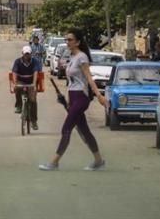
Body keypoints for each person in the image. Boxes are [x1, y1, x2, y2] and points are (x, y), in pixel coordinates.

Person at [39, 28, 108, 171]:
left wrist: (99, 95)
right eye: (66, 39)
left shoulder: (82, 57)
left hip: (81, 97)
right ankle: (98, 160)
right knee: (84, 131)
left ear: (78, 42)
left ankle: (54, 162)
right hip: (73, 96)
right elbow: (71, 81)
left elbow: (89, 77)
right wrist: (65, 99)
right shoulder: (72, 57)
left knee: (66, 128)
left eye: (70, 39)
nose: (67, 42)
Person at [9, 45, 43, 130]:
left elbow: (35, 72)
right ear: (22, 54)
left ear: (31, 54)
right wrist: (15, 83)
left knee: (33, 100)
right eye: (25, 54)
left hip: (31, 82)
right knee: (17, 88)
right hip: (21, 81)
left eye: (28, 54)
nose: (27, 56)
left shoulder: (35, 61)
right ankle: (19, 105)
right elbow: (14, 72)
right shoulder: (17, 62)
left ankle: (34, 121)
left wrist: (34, 84)